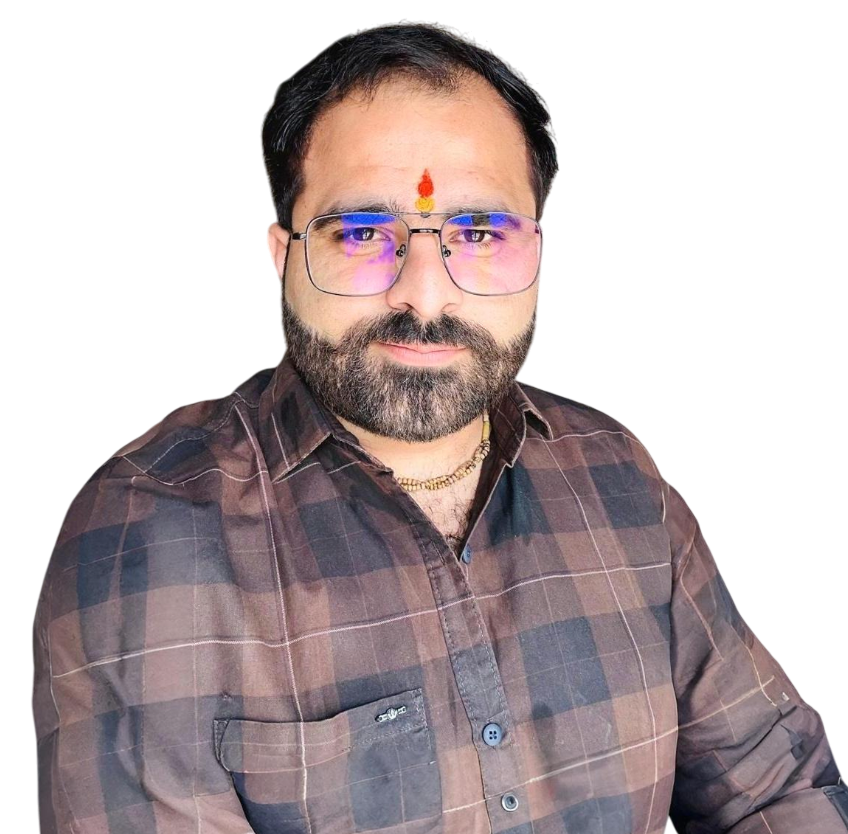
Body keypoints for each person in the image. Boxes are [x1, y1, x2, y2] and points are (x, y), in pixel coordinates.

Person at [32, 20, 845, 834]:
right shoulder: (148, 534)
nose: (424, 294)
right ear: (283, 258)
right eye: (362, 233)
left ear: (540, 256)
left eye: (479, 233)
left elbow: (780, 790)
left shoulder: (619, 477)